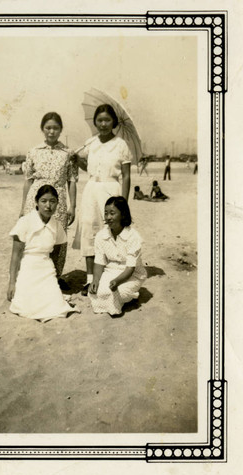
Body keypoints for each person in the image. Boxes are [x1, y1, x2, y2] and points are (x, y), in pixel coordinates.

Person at [73, 104, 132, 296]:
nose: (103, 124)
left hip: (111, 190)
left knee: (110, 232)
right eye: (100, 120)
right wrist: (77, 160)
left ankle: (111, 276)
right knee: (89, 231)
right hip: (91, 190)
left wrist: (123, 202)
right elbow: (87, 168)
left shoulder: (121, 144)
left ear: (114, 121)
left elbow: (126, 175)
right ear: (95, 122)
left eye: (107, 120)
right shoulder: (90, 143)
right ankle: (90, 280)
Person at [19, 112, 77, 286]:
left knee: (57, 238)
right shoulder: (33, 151)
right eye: (48, 128)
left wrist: (72, 207)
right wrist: (23, 208)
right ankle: (33, 277)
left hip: (58, 200)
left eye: (55, 128)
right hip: (35, 200)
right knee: (35, 237)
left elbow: (72, 181)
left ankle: (55, 276)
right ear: (42, 129)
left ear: (61, 130)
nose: (51, 131)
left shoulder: (68, 153)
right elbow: (28, 180)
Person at [7, 185, 79, 322]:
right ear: (36, 202)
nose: (48, 206)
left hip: (46, 269)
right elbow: (15, 256)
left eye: (52, 201)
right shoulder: (25, 222)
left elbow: (55, 255)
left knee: (55, 305)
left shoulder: (57, 226)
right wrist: (12, 283)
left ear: (58, 203)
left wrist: (54, 278)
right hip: (27, 267)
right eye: (44, 201)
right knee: (27, 306)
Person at [88, 196, 147, 316]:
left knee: (116, 292)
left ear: (123, 215)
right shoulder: (101, 235)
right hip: (110, 271)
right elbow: (99, 262)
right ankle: (119, 300)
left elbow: (130, 268)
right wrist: (95, 280)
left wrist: (117, 281)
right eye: (106, 213)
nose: (108, 217)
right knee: (95, 291)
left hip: (132, 274)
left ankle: (130, 295)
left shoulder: (133, 236)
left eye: (112, 213)